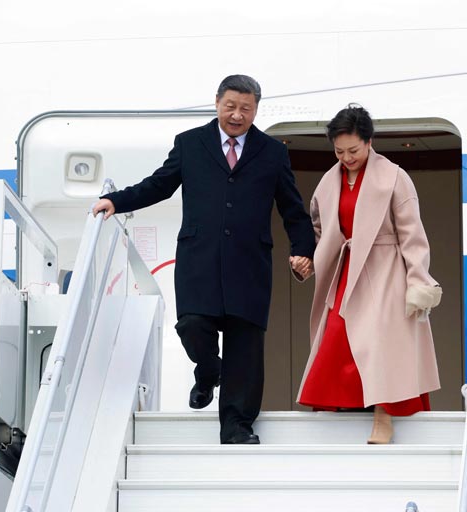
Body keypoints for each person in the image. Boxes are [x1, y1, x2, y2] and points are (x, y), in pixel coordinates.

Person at [92, 75, 315, 444]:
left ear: (256, 109)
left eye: (246, 109)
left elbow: (293, 209)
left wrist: (302, 249)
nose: (237, 115)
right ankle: (209, 370)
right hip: (200, 258)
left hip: (250, 263)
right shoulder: (190, 143)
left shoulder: (272, 152)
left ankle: (237, 427)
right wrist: (118, 201)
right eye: (231, 106)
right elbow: (159, 184)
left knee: (245, 346)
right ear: (217, 102)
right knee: (193, 324)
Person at [296, 105, 442, 444]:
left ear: (369, 141)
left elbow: (412, 235)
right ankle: (337, 409)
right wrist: (307, 259)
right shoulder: (328, 181)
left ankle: (383, 415)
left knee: (380, 342)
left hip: (385, 268)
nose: (346, 158)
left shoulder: (394, 176)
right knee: (337, 337)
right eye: (339, 151)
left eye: (353, 150)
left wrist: (417, 280)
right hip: (346, 270)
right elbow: (318, 228)